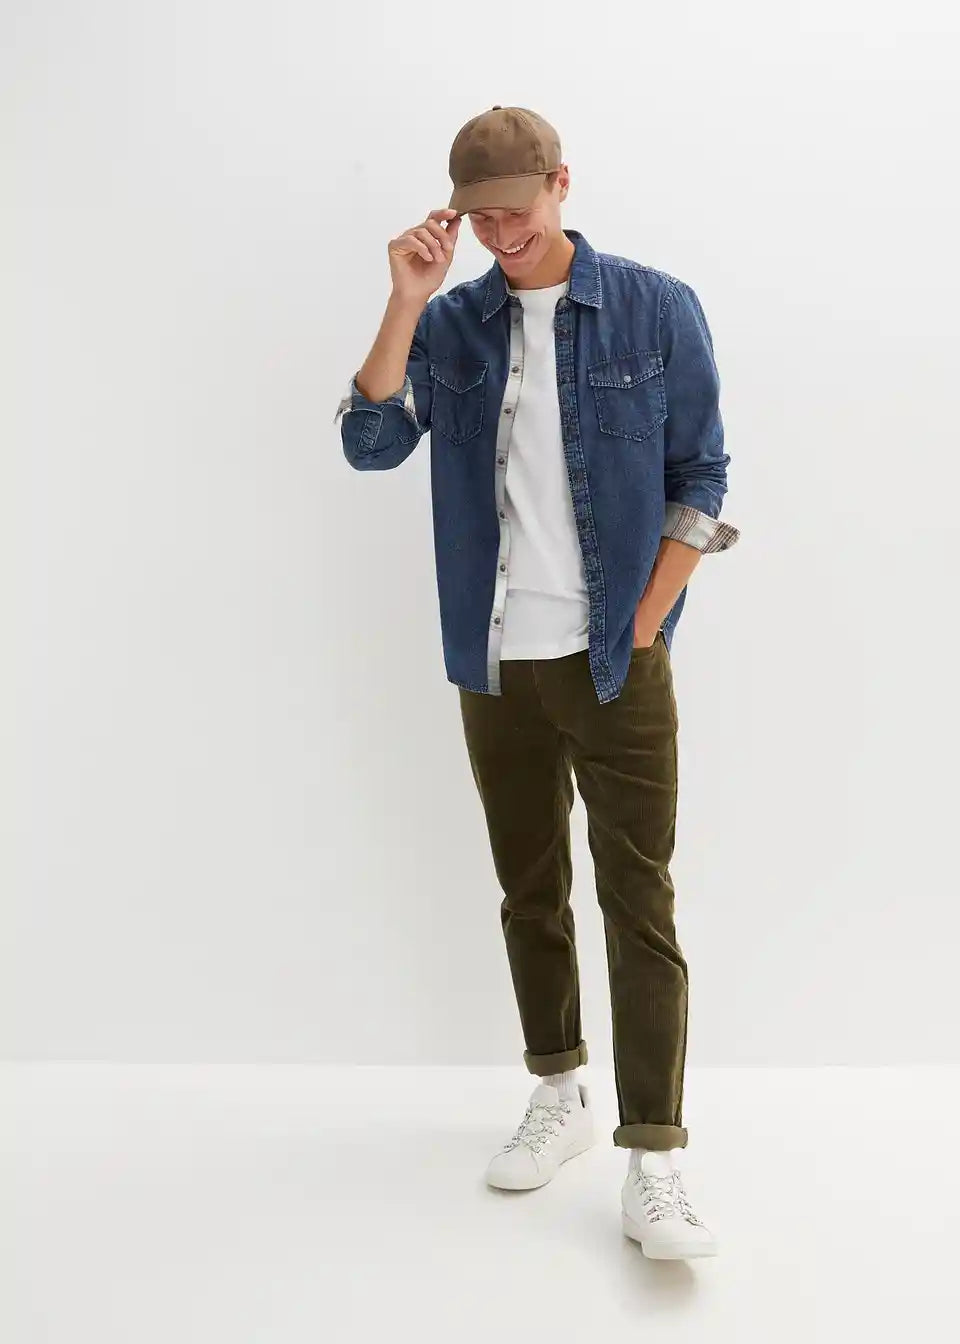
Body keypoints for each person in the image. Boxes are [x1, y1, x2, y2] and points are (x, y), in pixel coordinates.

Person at [335, 105, 740, 1260]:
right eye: (480, 218)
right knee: (529, 890)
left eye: (516, 210)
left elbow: (703, 473)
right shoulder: (452, 323)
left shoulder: (654, 307)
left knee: (639, 900)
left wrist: (646, 623)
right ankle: (558, 1090)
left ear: (562, 183)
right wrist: (406, 299)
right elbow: (370, 441)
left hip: (617, 661)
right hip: (496, 659)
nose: (501, 234)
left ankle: (655, 1157)